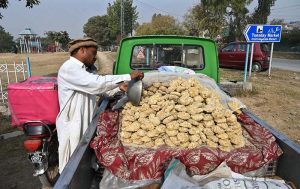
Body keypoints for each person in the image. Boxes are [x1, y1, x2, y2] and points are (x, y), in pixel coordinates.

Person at [56, 37, 143, 173]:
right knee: (71, 165)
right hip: (73, 123)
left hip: (85, 120)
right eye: (93, 53)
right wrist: (127, 76)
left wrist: (119, 89)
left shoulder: (85, 69)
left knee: (82, 161)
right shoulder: (69, 68)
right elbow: (96, 83)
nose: (95, 57)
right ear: (82, 50)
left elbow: (99, 91)